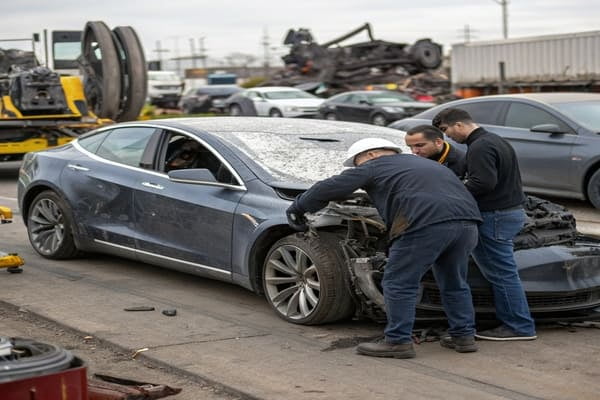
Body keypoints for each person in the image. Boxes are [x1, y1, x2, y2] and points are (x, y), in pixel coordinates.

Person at [286, 138, 482, 358]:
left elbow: (330, 187)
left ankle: (398, 342)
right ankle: (463, 336)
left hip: (425, 224)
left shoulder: (375, 165)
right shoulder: (429, 164)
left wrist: (298, 207)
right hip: (467, 224)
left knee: (399, 282)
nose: (359, 168)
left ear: (370, 155)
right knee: (454, 282)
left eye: (357, 163)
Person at [434, 108, 537, 341]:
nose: (448, 136)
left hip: (495, 216)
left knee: (502, 274)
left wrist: (449, 195)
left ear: (459, 125)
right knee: (503, 273)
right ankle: (515, 321)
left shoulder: (480, 146)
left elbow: (482, 183)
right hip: (507, 213)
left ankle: (519, 326)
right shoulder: (495, 140)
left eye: (446, 130)